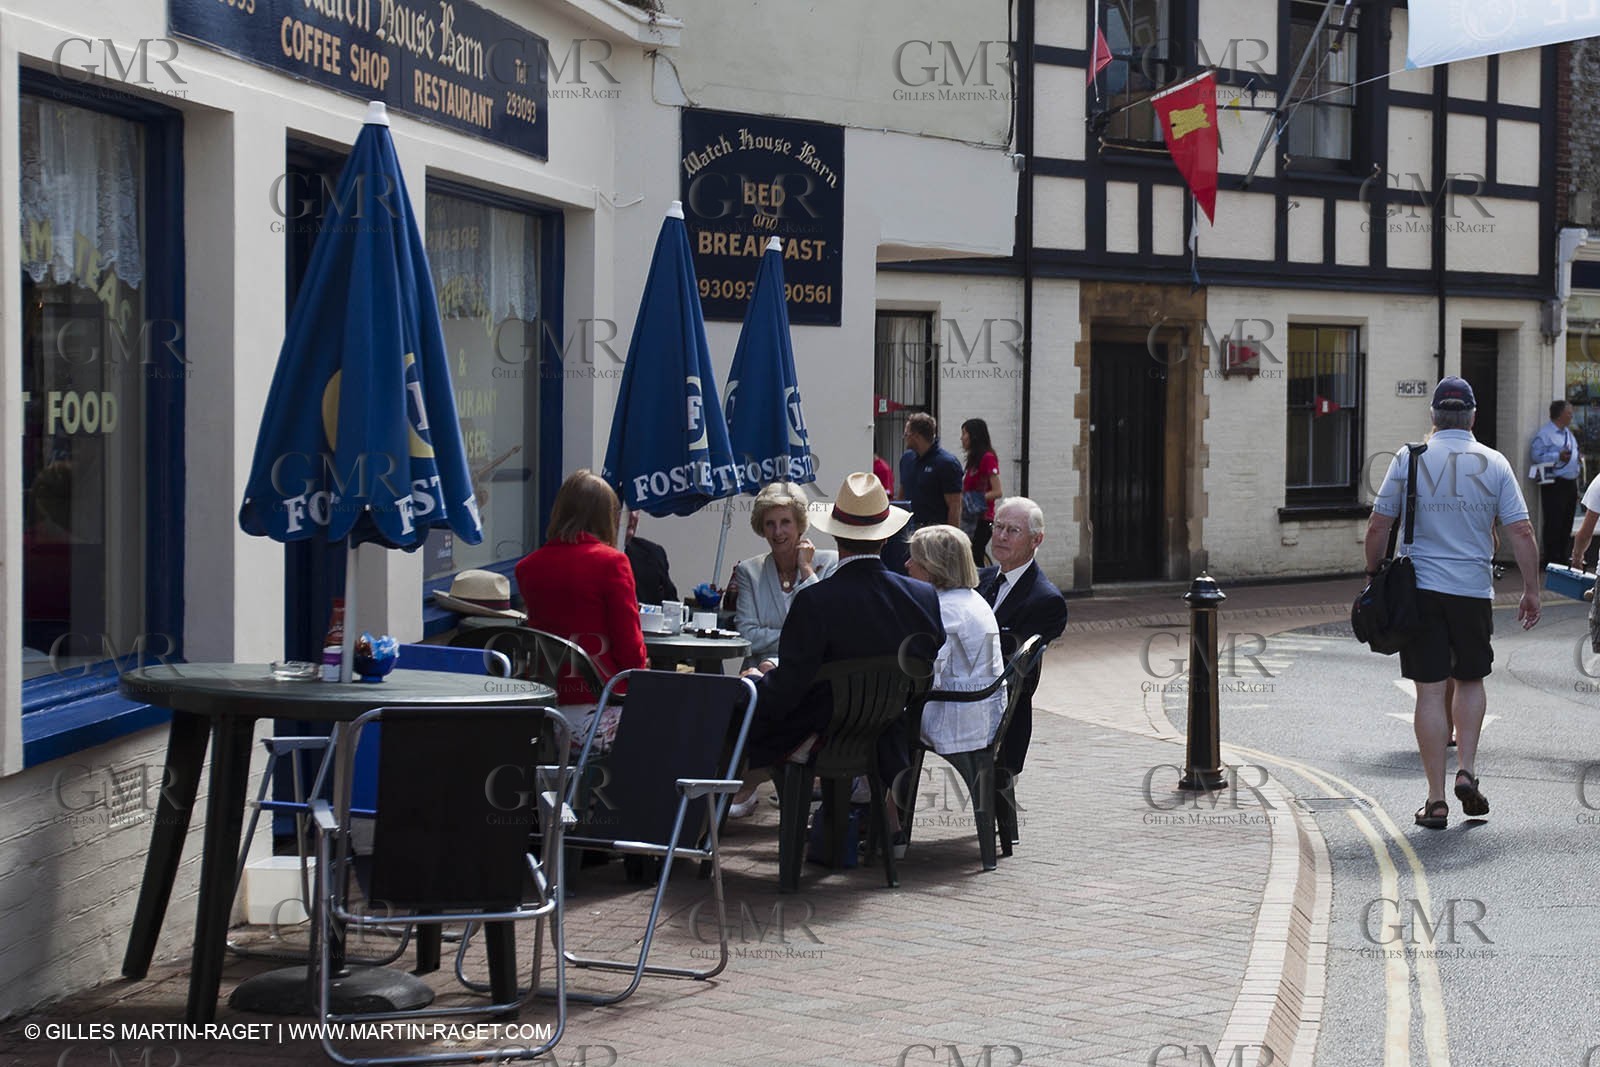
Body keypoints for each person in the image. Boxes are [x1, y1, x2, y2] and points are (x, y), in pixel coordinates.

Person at [730, 473, 945, 846]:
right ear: (885, 536)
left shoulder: (816, 601)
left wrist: (758, 681)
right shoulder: (921, 596)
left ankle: (715, 808)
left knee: (740, 705)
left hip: (824, 736)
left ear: (836, 536)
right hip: (885, 730)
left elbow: (787, 691)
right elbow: (924, 669)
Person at [1364, 377, 1539, 830]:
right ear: (1474, 417)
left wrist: (1373, 577)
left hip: (1420, 591)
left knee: (1430, 689)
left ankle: (1436, 800)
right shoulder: (1494, 462)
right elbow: (1521, 531)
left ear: (1433, 418)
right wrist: (1532, 590)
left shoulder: (1410, 458)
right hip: (1472, 591)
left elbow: (1378, 526)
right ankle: (1468, 770)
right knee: (1471, 679)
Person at [514, 470, 649, 739]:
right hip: (599, 707)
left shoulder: (527, 567)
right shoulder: (612, 563)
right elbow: (630, 653)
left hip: (543, 712)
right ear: (606, 518)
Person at [977, 497, 1069, 782]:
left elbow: (1014, 670)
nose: (1001, 536)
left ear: (1036, 539)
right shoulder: (980, 579)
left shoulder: (1045, 599)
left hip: (999, 714)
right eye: (998, 526)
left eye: (1013, 530)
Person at [906, 525, 1005, 757]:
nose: (907, 565)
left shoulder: (947, 609)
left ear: (932, 568)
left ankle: (873, 790)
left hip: (957, 720)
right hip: (977, 713)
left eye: (914, 559)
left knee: (874, 719)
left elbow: (923, 676)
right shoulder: (968, 599)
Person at [733, 482, 838, 671]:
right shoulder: (748, 571)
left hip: (812, 675)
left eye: (785, 522)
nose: (777, 532)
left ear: (800, 524)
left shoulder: (830, 562)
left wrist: (806, 570)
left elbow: (824, 627)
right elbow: (746, 636)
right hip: (760, 677)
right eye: (770, 524)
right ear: (762, 528)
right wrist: (800, 638)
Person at [1530, 399, 1580, 570]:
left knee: (1567, 521)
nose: (1571, 415)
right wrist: (1557, 456)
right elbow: (1536, 455)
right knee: (1554, 521)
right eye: (1569, 413)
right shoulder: (1545, 434)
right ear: (1560, 414)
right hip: (1555, 483)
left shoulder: (1568, 433)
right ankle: (1551, 559)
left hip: (1570, 482)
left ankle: (1563, 556)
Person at [897, 412, 963, 532]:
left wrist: (951, 539)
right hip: (910, 531)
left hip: (935, 532)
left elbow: (954, 507)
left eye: (906, 434)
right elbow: (902, 496)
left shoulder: (946, 463)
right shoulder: (906, 459)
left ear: (916, 436)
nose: (904, 438)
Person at [959, 418, 1003, 566]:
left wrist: (971, 499)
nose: (962, 438)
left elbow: (997, 491)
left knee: (975, 558)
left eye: (964, 433)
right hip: (969, 518)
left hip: (982, 519)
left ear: (974, 436)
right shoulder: (973, 460)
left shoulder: (988, 458)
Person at [624, 510, 679, 606]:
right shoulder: (591, 558)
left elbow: (672, 606)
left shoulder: (653, 553)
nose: (633, 515)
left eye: (635, 509)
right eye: (625, 508)